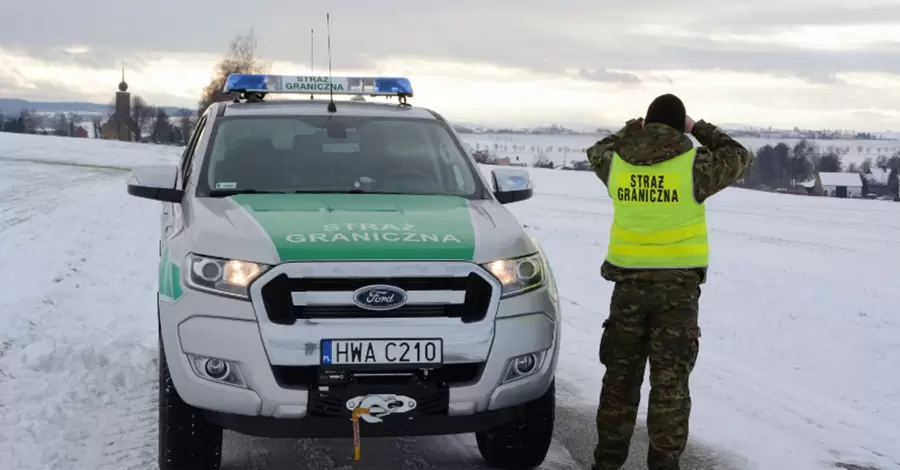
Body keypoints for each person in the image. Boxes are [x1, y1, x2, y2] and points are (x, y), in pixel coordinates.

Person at [586, 94, 754, 470]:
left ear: (647, 123)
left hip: (627, 292)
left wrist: (632, 129)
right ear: (681, 128)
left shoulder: (618, 165)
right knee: (670, 388)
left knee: (619, 384)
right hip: (677, 296)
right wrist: (699, 129)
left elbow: (597, 148)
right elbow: (739, 154)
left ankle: (606, 464)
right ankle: (664, 464)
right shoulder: (695, 167)